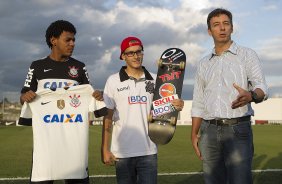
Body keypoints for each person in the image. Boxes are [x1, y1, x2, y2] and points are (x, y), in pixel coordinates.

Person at [191, 8, 268, 184]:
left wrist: (251, 95)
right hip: (208, 131)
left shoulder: (247, 55)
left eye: (226, 24)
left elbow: (261, 87)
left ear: (232, 28)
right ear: (209, 31)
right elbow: (198, 101)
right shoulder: (203, 63)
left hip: (238, 130)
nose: (222, 28)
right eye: (216, 25)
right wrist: (194, 133)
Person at [19, 20, 102, 184]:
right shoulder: (37, 66)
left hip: (74, 143)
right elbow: (24, 95)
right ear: (53, 40)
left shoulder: (79, 67)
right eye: (68, 40)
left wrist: (98, 96)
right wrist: (24, 97)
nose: (72, 44)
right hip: (47, 142)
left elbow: (89, 93)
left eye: (74, 40)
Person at [101, 36, 184, 184]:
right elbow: (107, 118)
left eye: (139, 52)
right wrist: (105, 149)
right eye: (131, 53)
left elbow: (164, 108)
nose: (136, 56)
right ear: (123, 56)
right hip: (122, 152)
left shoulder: (155, 79)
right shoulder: (113, 81)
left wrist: (176, 105)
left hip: (148, 151)